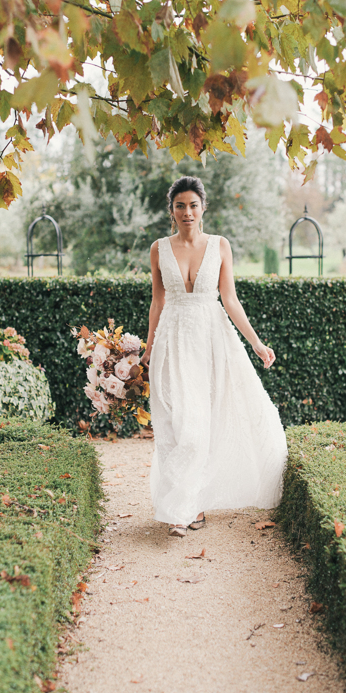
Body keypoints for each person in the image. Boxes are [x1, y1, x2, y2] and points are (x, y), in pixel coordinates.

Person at [140, 176, 288, 537]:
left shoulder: (221, 246)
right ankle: (185, 504)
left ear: (203, 207)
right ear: (171, 210)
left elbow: (230, 299)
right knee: (175, 421)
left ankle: (185, 508)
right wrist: (148, 347)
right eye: (180, 205)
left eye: (193, 205)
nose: (187, 212)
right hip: (172, 340)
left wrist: (255, 342)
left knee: (199, 421)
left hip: (210, 339)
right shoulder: (158, 249)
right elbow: (157, 301)